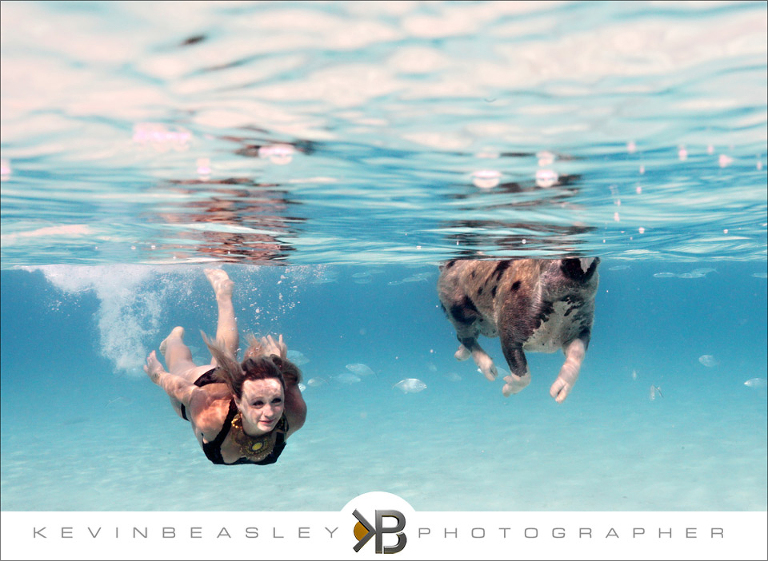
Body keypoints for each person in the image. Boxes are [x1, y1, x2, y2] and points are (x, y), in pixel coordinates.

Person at [144, 268, 307, 465]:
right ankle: (173, 339)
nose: (270, 412)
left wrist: (275, 360)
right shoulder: (210, 416)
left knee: (227, 357)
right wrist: (158, 375)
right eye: (257, 403)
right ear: (237, 401)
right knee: (180, 364)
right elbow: (180, 388)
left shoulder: (295, 413)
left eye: (276, 400)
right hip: (206, 387)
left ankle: (224, 297)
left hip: (235, 393)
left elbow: (287, 379)